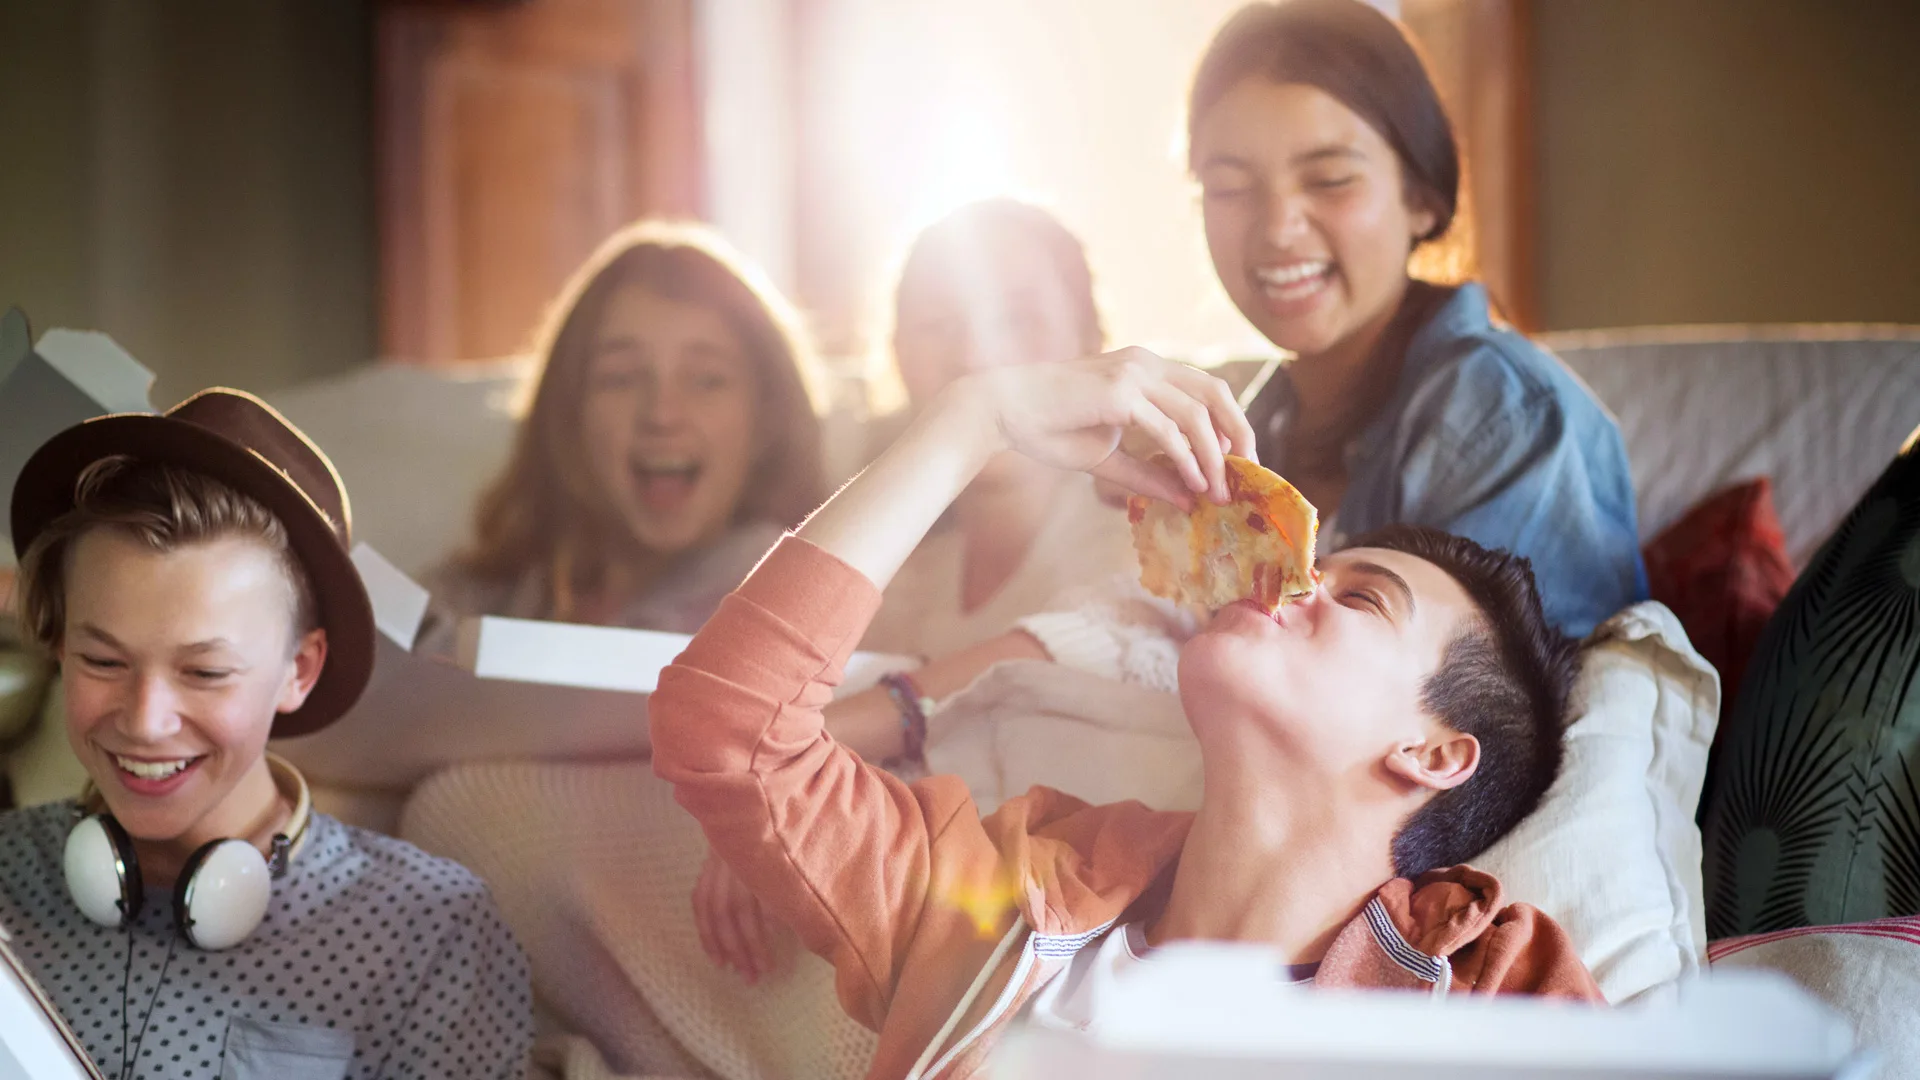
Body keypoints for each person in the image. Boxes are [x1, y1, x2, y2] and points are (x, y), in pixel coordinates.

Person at [651, 350, 1602, 1079]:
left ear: (1434, 752)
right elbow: (730, 731)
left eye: (1359, 600)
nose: (1295, 576)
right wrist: (974, 418)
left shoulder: (1490, 990)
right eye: (1319, 564)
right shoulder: (997, 899)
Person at [0, 389, 531, 1079]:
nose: (145, 719)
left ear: (298, 671)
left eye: (205, 671)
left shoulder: (429, 928)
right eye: (103, 661)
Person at [1195, 0, 1644, 638]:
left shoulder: (1504, 415)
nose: (1277, 229)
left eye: (1329, 179)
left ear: (1422, 200)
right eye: (1231, 188)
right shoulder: (1252, 427)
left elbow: (1503, 721)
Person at [424, 219, 827, 637]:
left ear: (767, 418)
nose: (662, 414)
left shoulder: (802, 595)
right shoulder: (477, 596)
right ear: (569, 413)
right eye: (621, 378)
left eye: (707, 380)